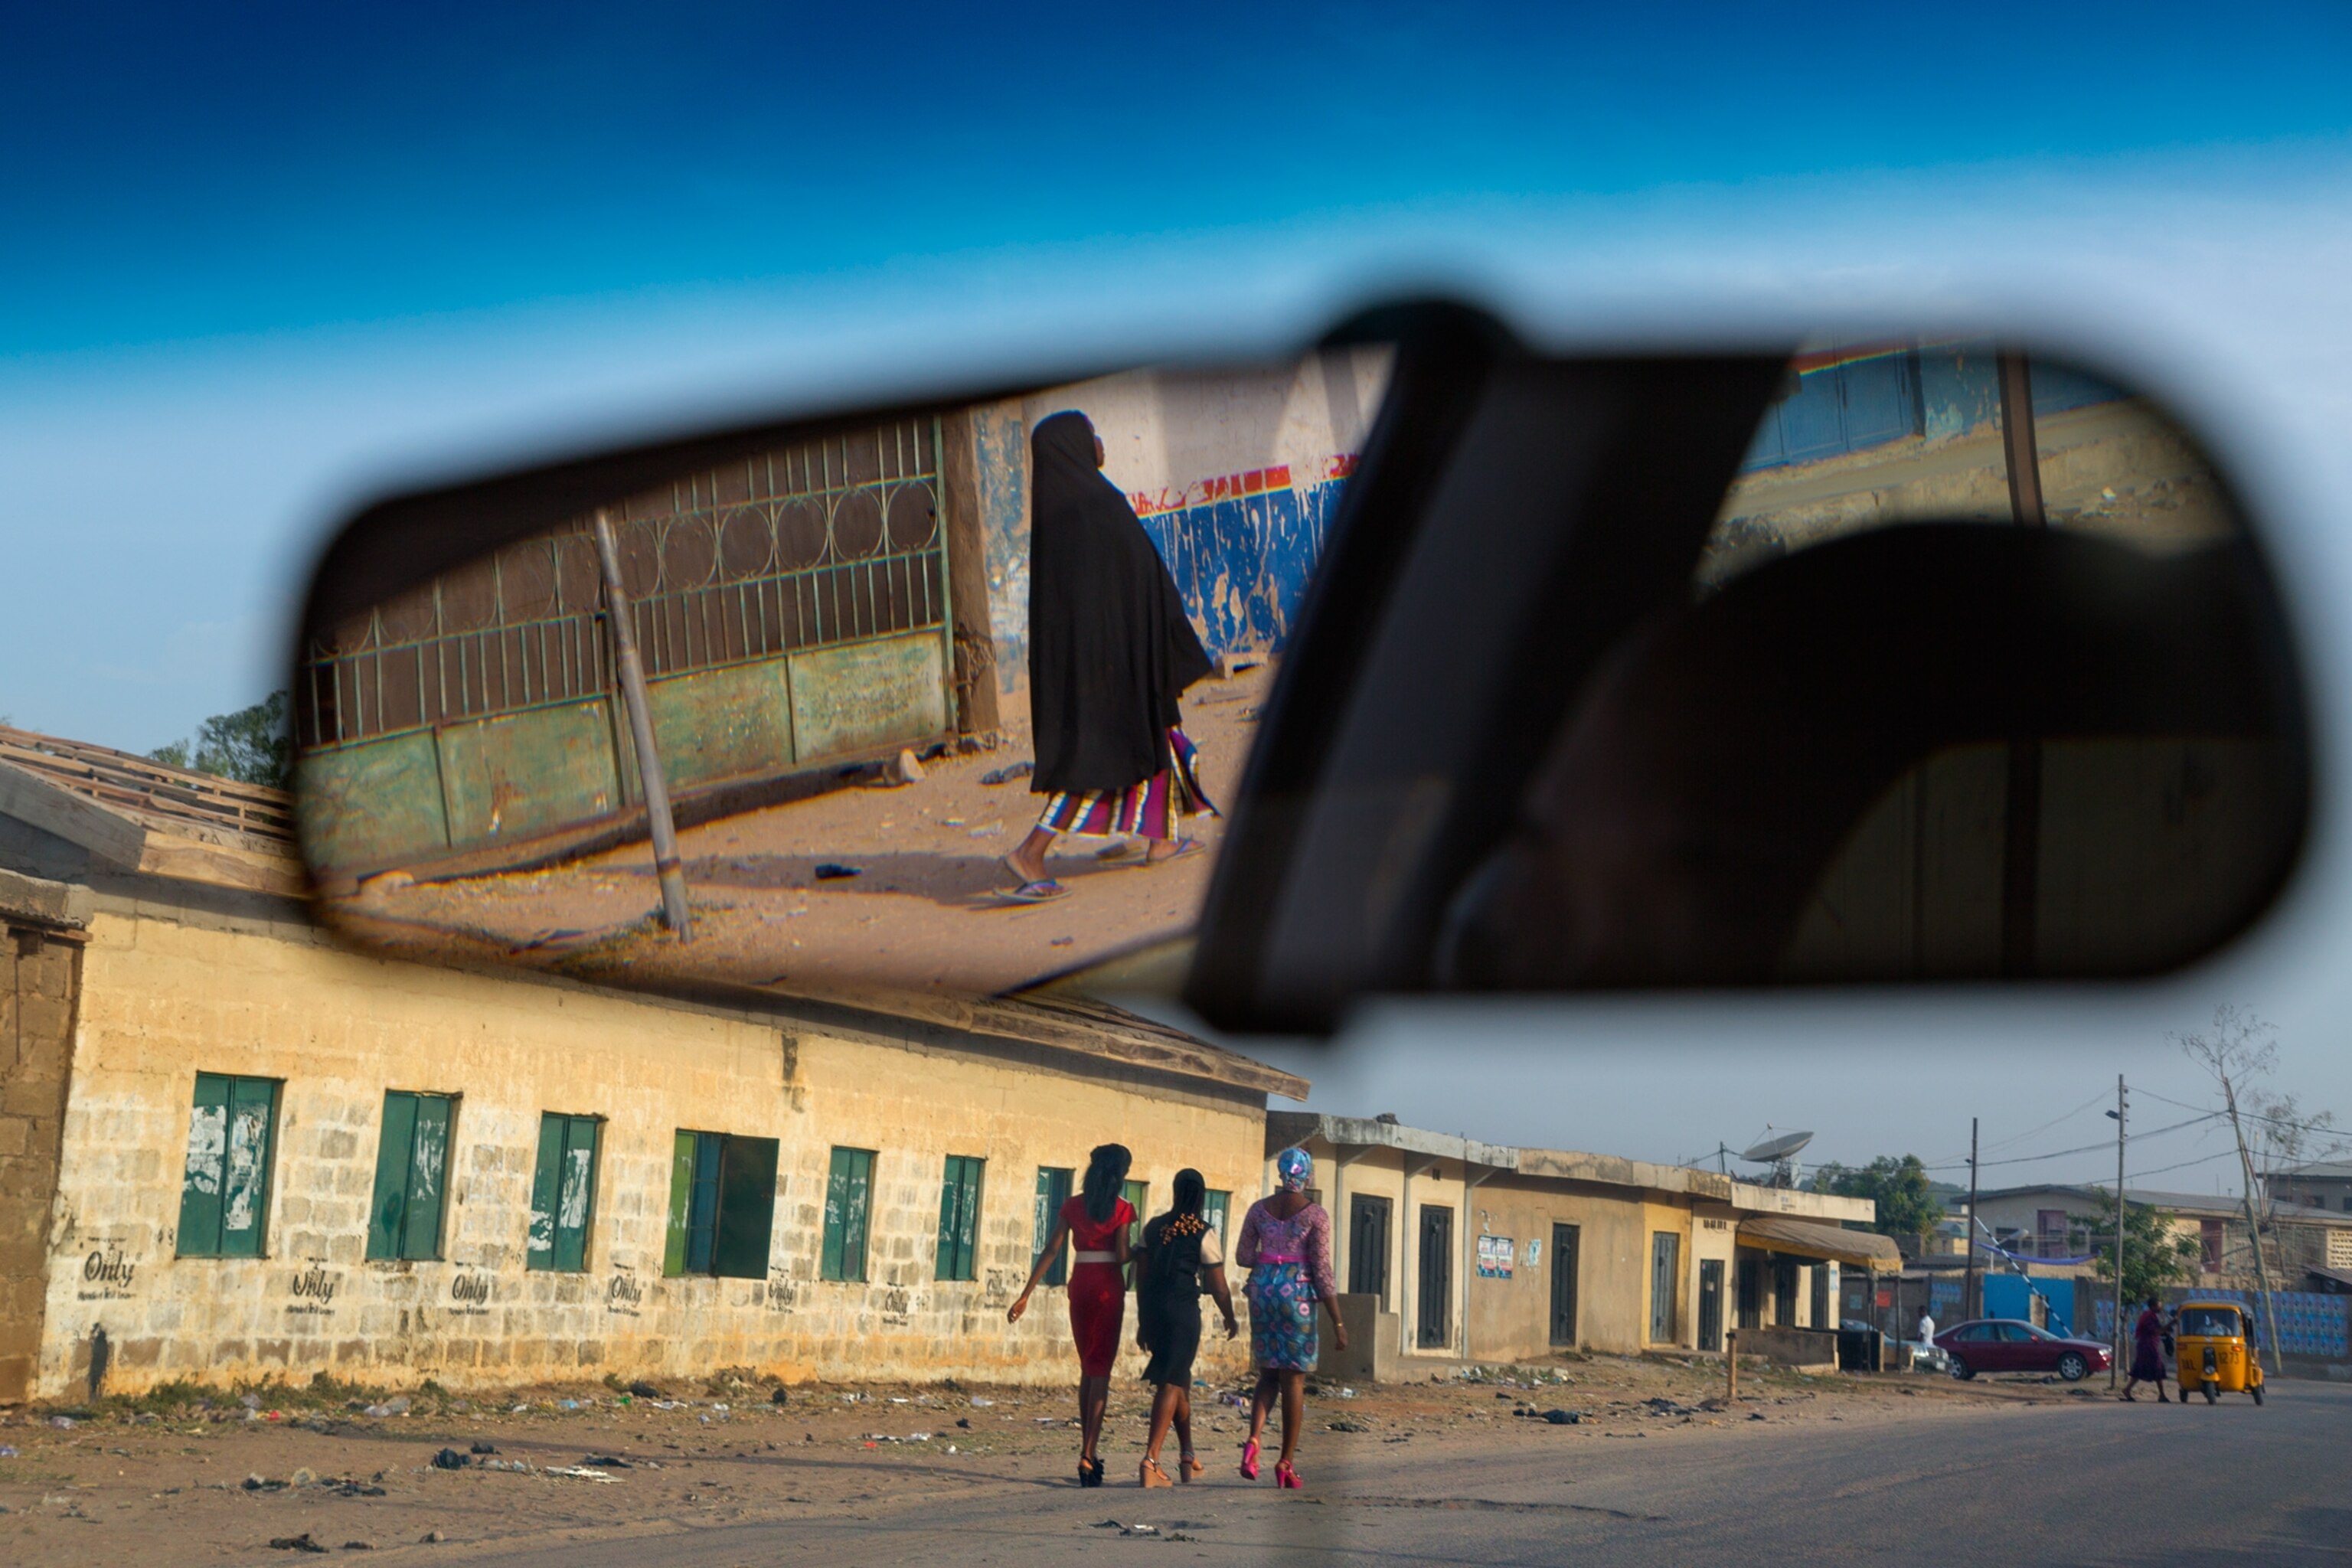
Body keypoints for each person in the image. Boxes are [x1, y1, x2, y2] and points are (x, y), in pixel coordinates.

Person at [999, 410, 1217, 903]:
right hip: (1115, 659)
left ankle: (1162, 839)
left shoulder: (1059, 516)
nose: (1100, 443)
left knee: (1155, 732)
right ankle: (1031, 852)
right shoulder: (1097, 505)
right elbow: (1137, 572)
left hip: (1104, 657)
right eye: (1091, 435)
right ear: (1075, 447)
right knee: (1103, 757)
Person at [1009, 1144, 1137, 1484]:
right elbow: (1122, 1256)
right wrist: (1141, 1250)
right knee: (1101, 1370)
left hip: (1080, 1284)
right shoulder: (1123, 1209)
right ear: (1120, 1174)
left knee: (1088, 1367)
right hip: (1108, 1287)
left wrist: (1025, 1295)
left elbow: (1052, 1249)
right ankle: (1087, 1453)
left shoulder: (1072, 1206)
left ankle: (1088, 1451)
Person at [1234, 1147, 1348, 1490]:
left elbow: (1243, 1256)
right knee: (1293, 1381)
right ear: (1308, 1176)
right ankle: (1285, 1461)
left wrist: (1271, 1259)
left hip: (1262, 1292)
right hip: (1297, 1296)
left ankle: (1254, 1440)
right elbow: (1322, 1270)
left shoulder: (1258, 1210)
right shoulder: (1316, 1215)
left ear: (1281, 1174)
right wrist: (1338, 1322)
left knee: (1268, 1374)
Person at [1132, 1168, 1239, 1487]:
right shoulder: (1203, 1232)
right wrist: (1230, 1317)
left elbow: (1141, 1279)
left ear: (1176, 1192)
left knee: (1181, 1380)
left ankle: (1187, 1453)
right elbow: (1217, 1285)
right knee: (1171, 1382)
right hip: (1183, 1314)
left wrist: (1143, 1320)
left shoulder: (1154, 1227)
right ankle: (1151, 1459)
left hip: (1155, 1312)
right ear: (1201, 1197)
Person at [2122, 1295, 2171, 1402]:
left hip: (2147, 1345)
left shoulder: (2150, 1316)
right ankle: (2161, 1395)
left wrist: (2166, 1329)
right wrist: (2171, 1324)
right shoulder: (2149, 1317)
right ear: (2153, 1306)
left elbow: (2158, 1330)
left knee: (2140, 1369)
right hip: (2148, 1346)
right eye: (2159, 1305)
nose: (2161, 1307)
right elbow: (2157, 1331)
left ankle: (2127, 1390)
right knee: (2157, 1368)